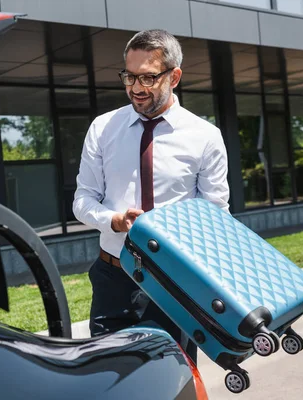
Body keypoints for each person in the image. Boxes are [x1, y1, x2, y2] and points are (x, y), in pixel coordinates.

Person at [72, 29, 230, 363]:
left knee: (173, 381)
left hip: (172, 283)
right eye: (129, 76)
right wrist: (112, 220)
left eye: (148, 77)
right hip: (112, 279)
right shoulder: (103, 128)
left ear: (175, 76)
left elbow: (216, 217)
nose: (136, 88)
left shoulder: (205, 137)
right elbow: (83, 200)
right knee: (108, 380)